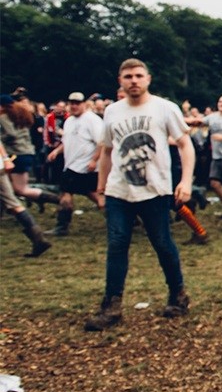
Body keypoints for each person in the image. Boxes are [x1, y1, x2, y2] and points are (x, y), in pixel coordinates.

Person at [85, 58, 193, 331]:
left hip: (155, 189)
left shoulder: (165, 108)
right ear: (120, 81)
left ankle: (178, 294)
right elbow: (108, 150)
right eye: (128, 76)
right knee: (117, 244)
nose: (133, 81)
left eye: (138, 75)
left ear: (148, 78)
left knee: (162, 241)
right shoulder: (111, 111)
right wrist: (102, 183)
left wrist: (186, 181)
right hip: (119, 190)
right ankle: (111, 306)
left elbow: (184, 143)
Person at [45, 91, 105, 235]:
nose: (74, 106)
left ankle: (62, 226)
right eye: (72, 103)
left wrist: (94, 160)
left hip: (86, 166)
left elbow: (102, 143)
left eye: (77, 103)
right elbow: (67, 141)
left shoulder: (92, 120)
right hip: (72, 165)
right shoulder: (69, 121)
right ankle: (129, 219)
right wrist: (56, 152)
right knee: (93, 195)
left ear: (84, 104)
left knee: (68, 193)